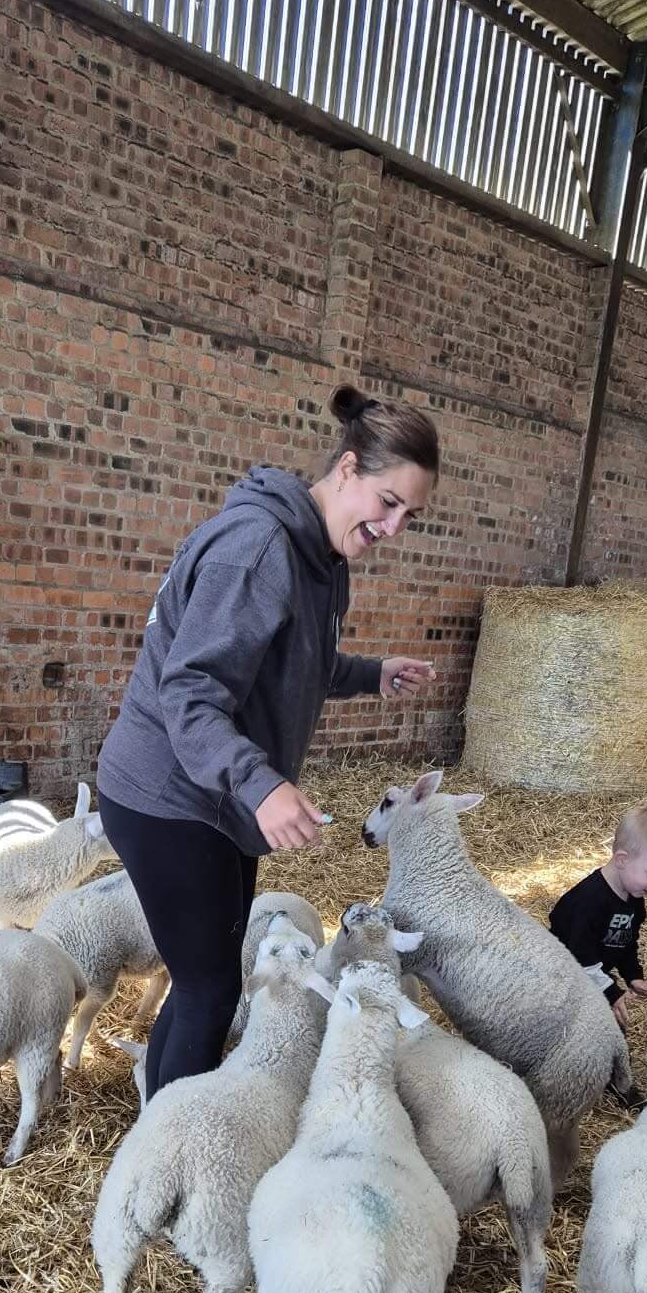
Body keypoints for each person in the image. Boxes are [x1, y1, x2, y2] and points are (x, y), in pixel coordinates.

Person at [96, 383, 440, 1099]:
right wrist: (264, 784)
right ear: (347, 470)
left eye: (411, 512)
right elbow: (189, 696)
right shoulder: (258, 551)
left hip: (216, 797)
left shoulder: (321, 559)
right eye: (388, 501)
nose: (396, 526)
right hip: (169, 794)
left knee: (206, 981)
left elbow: (289, 661)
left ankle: (161, 1125)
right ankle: (178, 1159)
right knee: (209, 988)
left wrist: (372, 675)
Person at [549, 805, 647, 1028]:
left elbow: (625, 942)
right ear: (622, 859)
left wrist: (632, 975)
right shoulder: (588, 901)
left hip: (592, 977)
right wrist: (611, 992)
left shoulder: (634, 898)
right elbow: (578, 956)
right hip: (560, 980)